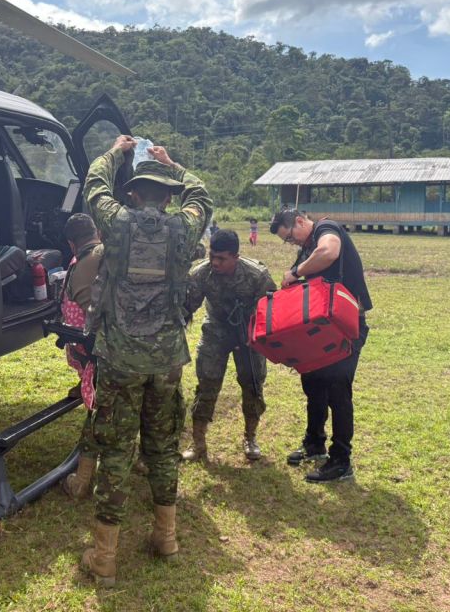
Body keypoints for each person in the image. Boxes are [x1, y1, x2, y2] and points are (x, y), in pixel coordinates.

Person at [79, 135, 211, 587]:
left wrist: (116, 152)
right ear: (169, 196)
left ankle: (104, 558)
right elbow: (201, 196)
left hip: (120, 357)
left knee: (116, 450)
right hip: (167, 359)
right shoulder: (184, 227)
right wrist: (173, 165)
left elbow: (94, 184)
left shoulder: (115, 222)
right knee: (162, 446)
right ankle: (166, 538)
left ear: (133, 194)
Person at [270, 209, 372, 483]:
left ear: (300, 221)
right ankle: (315, 444)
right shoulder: (306, 248)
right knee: (313, 383)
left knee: (338, 391)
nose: (291, 242)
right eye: (287, 241)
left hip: (346, 327)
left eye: (290, 237)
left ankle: (341, 461)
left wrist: (296, 271)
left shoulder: (326, 229)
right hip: (322, 329)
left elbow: (328, 252)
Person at [183, 229, 276, 462]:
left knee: (253, 384)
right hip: (216, 331)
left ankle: (250, 438)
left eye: (222, 258)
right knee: (207, 384)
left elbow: (272, 312)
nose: (215, 262)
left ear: (236, 256)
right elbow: (186, 308)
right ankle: (198, 444)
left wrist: (257, 335)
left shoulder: (257, 275)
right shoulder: (201, 273)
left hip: (249, 334)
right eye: (212, 256)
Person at [59, 213, 103, 500]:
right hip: (147, 348)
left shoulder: (80, 265)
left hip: (101, 349)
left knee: (100, 414)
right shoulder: (116, 252)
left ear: (71, 244)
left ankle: (83, 481)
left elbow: (84, 317)